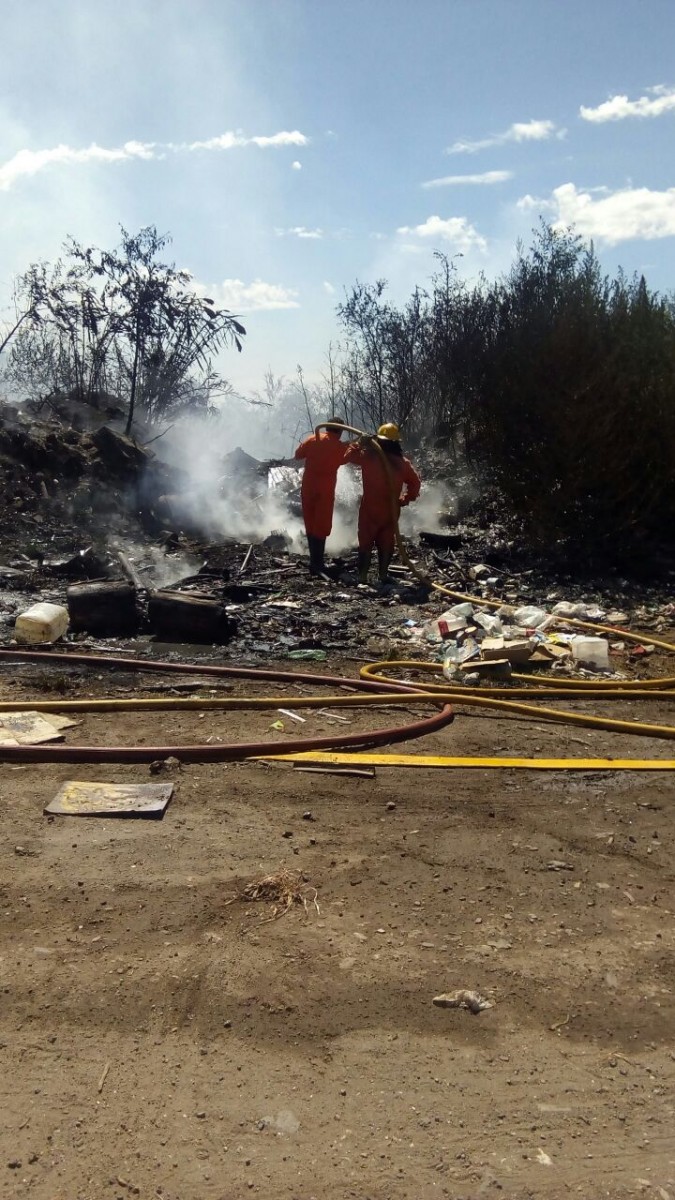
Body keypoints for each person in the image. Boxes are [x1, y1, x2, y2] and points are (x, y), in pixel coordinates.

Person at [345, 423, 421, 585]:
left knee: (365, 542)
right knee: (386, 542)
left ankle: (362, 576)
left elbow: (348, 457)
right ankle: (383, 575)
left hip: (370, 510)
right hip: (390, 511)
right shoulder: (403, 463)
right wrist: (405, 499)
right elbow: (415, 484)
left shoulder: (368, 456)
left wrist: (359, 443)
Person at [294, 418, 349, 575]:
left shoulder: (313, 439)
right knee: (321, 525)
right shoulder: (340, 446)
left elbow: (298, 455)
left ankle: (314, 562)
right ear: (340, 430)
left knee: (310, 523)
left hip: (308, 487)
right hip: (324, 490)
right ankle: (318, 564)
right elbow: (348, 458)